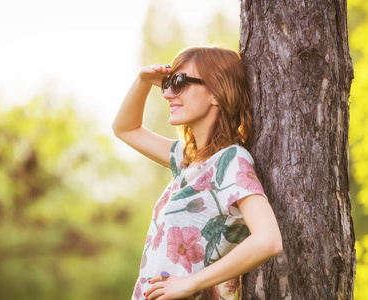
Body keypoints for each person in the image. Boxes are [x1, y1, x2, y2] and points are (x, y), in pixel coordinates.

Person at [112, 45, 283, 300]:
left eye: (179, 82)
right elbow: (125, 128)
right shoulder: (187, 159)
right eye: (168, 83)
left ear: (216, 92)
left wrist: (190, 284)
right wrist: (143, 80)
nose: (168, 93)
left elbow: (268, 239)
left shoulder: (230, 160)